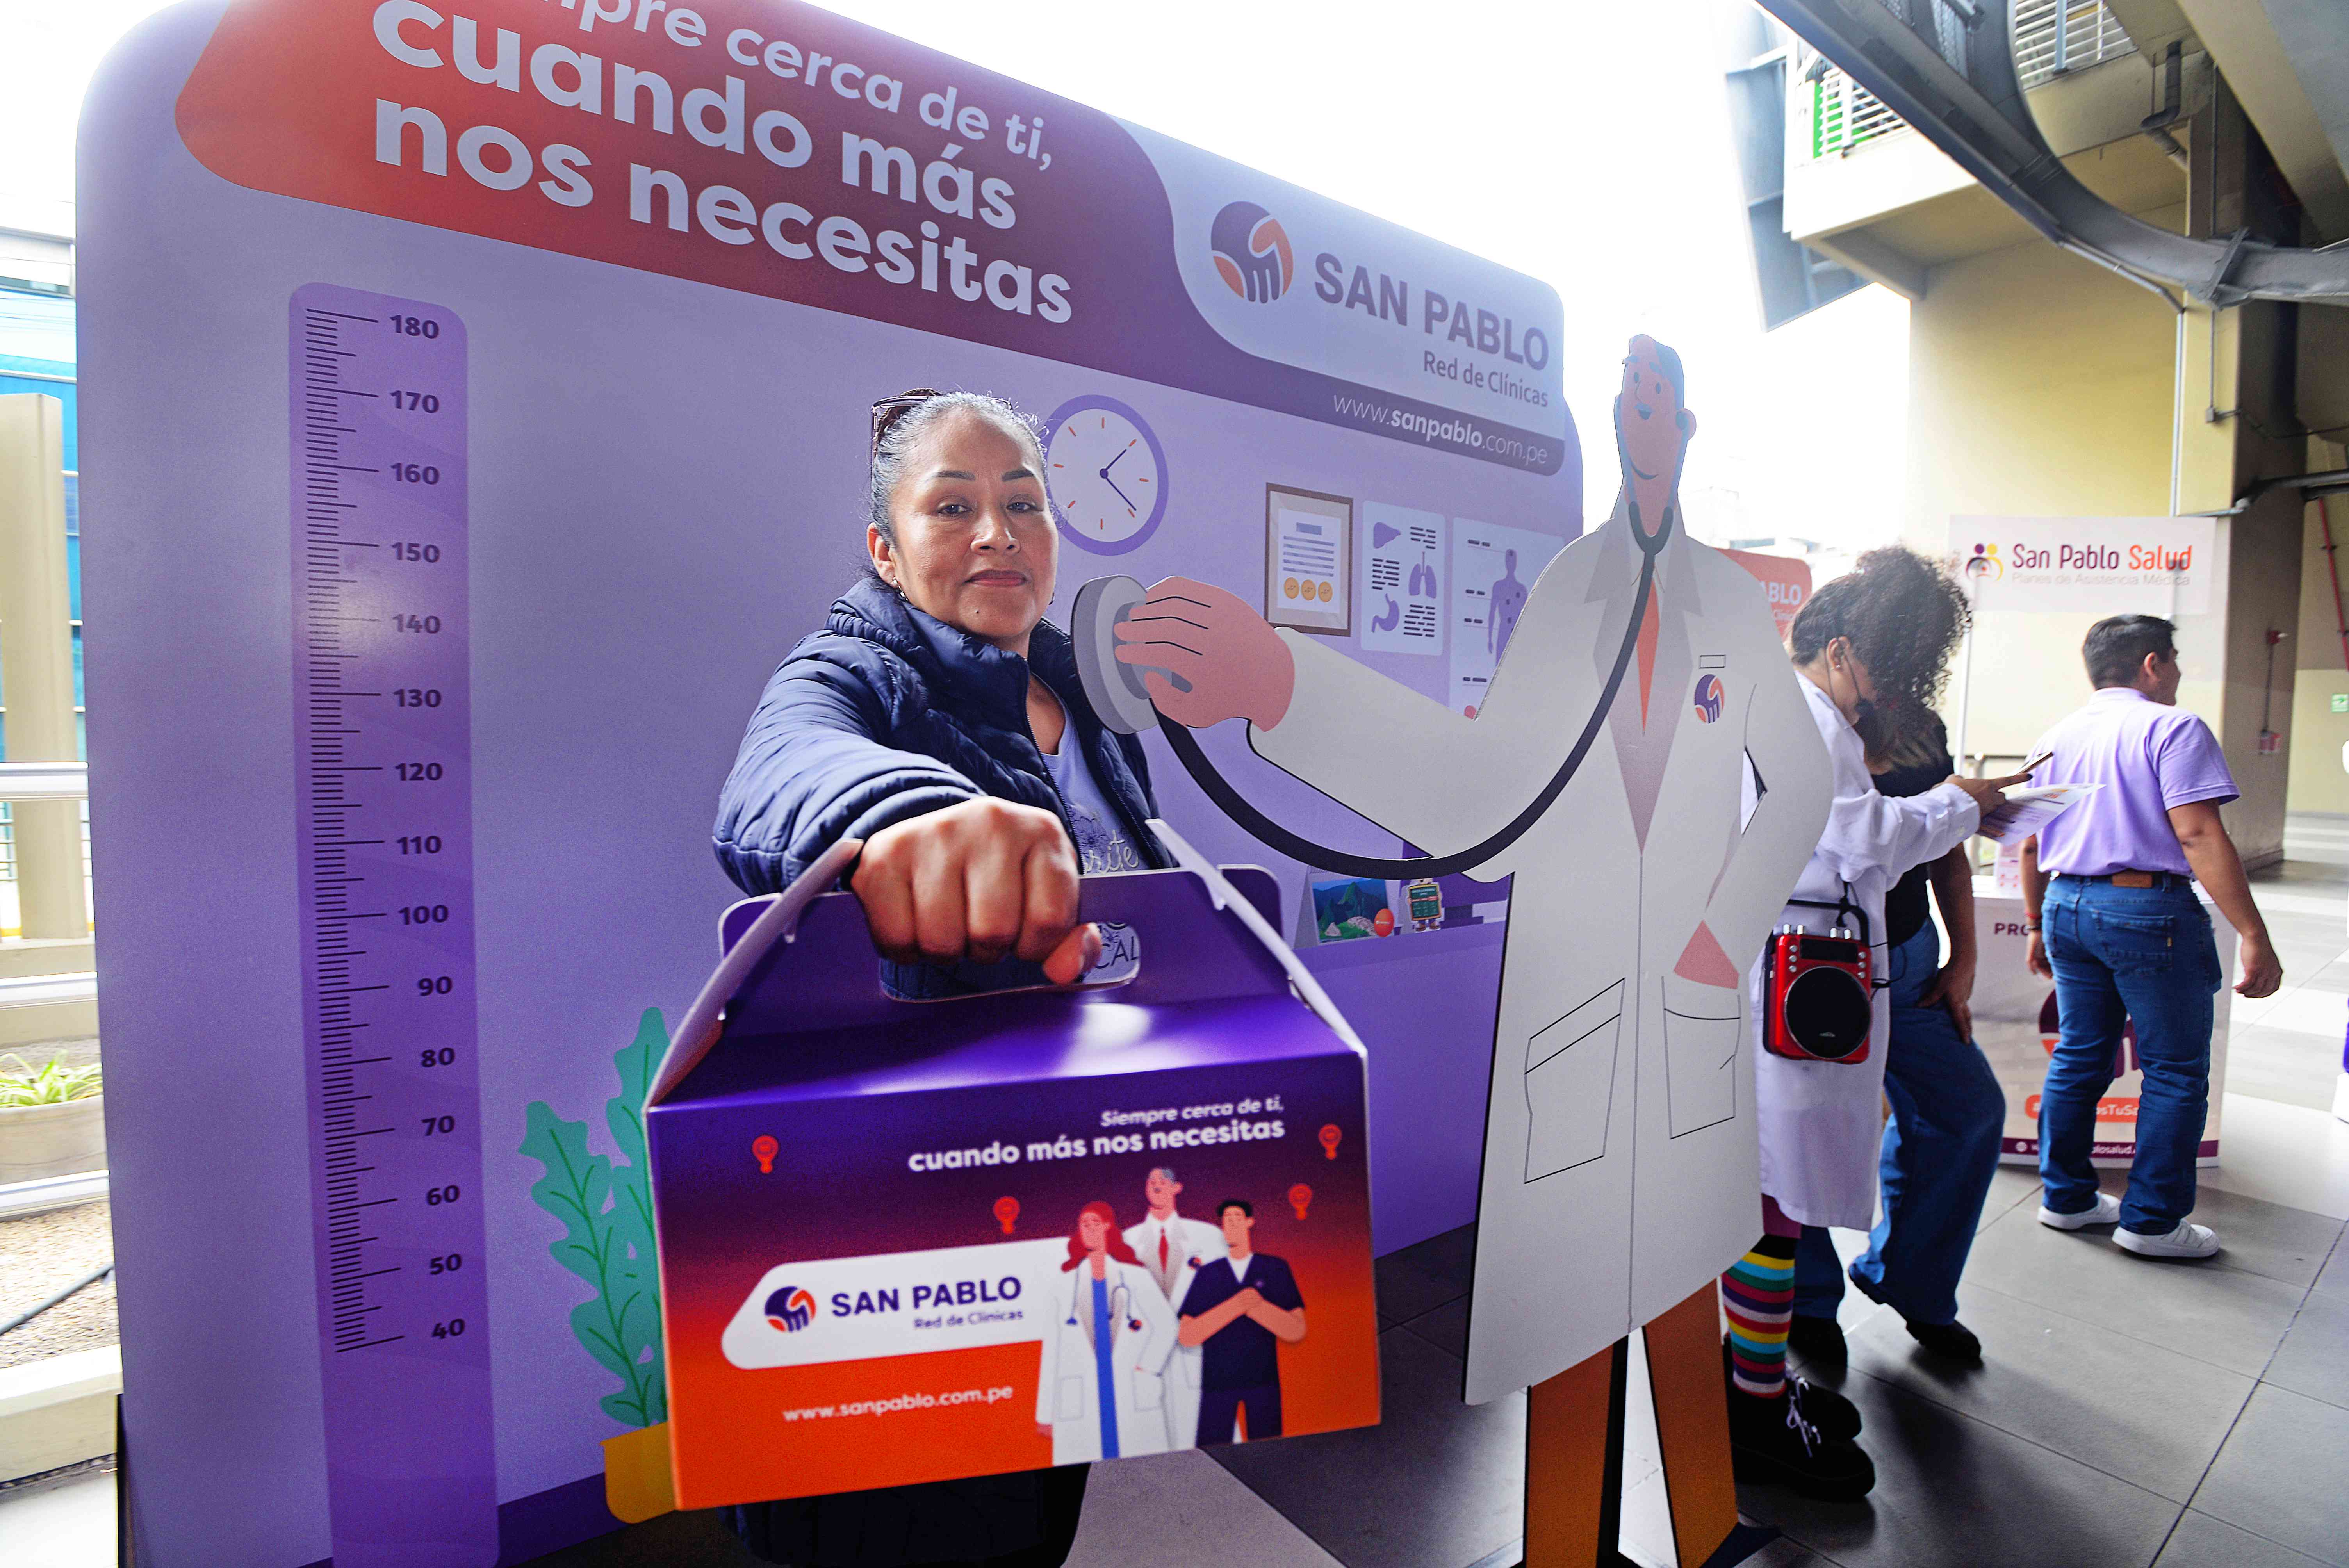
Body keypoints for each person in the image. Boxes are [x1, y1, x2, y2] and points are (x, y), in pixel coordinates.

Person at [1112, 338, 1834, 1406]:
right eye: (1629, 404)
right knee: (1570, 1311)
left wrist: (1723, 942)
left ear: (1684, 432)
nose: (1644, 425)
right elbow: (1481, 810)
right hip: (1576, 1006)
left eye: (1661, 407)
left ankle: (1712, 1521)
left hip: (1694, 1001)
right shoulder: (1568, 591)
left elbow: (1804, 785)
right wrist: (1281, 687)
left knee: (1684, 1271)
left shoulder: (1729, 602)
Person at [714, 388, 1173, 1566]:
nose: (996, 534)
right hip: (913, 1227)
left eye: (1023, 504)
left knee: (1031, 1517)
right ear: (885, 546)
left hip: (1073, 1188)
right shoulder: (854, 665)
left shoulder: (1086, 690)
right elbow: (778, 771)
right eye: (953, 505)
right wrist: (907, 816)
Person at [1723, 550, 2023, 1501]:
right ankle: (1754, 1408)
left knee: (1777, 1196)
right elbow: (1860, 836)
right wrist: (1960, 804)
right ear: (1842, 647)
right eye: (1887, 672)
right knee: (1775, 1199)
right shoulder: (1800, 720)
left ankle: (1754, 1384)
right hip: (1794, 985)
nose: (1890, 694)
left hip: (1802, 978)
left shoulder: (1803, 713)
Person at [2021, 614, 2283, 1259]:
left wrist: (2035, 924)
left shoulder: (2055, 735)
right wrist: (2253, 932)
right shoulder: (2174, 727)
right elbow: (2196, 834)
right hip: (2145, 910)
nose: (2177, 675)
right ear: (2150, 664)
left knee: (2081, 1053)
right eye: (2173, 661)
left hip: (2065, 903)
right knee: (2173, 1069)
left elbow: (2029, 842)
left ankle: (2066, 1198)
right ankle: (2152, 1221)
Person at [1787, 709, 2007, 1368]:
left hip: (1909, 955)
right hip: (1822, 959)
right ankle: (1808, 1300)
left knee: (1967, 1110)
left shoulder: (1922, 726)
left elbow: (1948, 852)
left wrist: (1964, 959)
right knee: (1805, 1126)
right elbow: (1857, 838)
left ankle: (1911, 1278)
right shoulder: (1798, 719)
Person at [1037, 1203, 1179, 1464]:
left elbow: (1168, 1325)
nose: (1089, 1229)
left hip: (1131, 1389)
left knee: (1147, 1470)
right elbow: (1052, 1352)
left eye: (1095, 1222)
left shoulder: (1136, 1278)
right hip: (1081, 1397)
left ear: (1107, 1226)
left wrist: (1149, 1368)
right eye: (1084, 1224)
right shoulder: (1062, 1288)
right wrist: (1045, 1414)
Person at [1176, 1200, 1306, 1443]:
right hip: (1217, 1383)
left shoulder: (1275, 1268)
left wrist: (1257, 1307)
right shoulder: (1208, 1274)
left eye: (1237, 1217)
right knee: (1212, 1452)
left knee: (1269, 1452)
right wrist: (1237, 1305)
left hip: (1263, 1380)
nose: (1232, 1224)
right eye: (1227, 1220)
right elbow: (1187, 1336)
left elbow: (1296, 1329)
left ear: (1250, 1222)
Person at [1123, 1167, 1228, 1449]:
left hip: (1199, 1353)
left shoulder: (1208, 1237)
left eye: (1164, 1182)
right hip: (1145, 1359)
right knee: (1150, 1449)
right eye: (1151, 1182)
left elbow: (1227, 1293)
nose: (1157, 1186)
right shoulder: (1126, 1241)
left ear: (1177, 1188)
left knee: (1215, 1447)